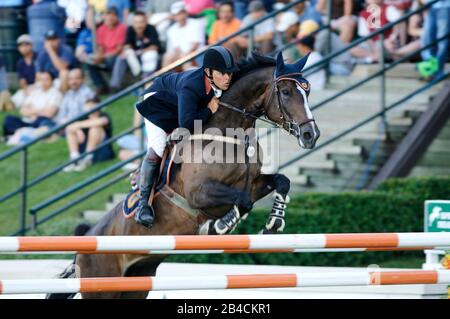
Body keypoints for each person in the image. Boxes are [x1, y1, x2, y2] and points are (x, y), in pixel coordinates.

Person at [134, 46, 240, 228]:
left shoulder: (218, 80)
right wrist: (209, 110)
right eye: (222, 73)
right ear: (208, 72)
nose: (227, 78)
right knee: (158, 148)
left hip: (181, 106)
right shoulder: (192, 85)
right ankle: (143, 205)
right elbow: (187, 124)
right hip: (157, 103)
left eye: (230, 73)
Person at [111, 11, 161, 90]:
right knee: (121, 57)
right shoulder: (130, 29)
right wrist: (128, 51)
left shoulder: (151, 28)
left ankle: (144, 82)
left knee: (151, 55)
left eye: (141, 22)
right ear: (133, 23)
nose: (139, 25)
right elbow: (127, 44)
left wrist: (141, 51)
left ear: (145, 22)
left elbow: (155, 47)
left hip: (149, 56)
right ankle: (114, 86)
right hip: (134, 57)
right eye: (136, 22)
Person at [3, 71, 62, 138]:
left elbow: (49, 113)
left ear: (52, 81)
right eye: (41, 80)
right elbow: (22, 111)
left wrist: (32, 111)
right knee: (9, 119)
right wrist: (41, 110)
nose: (44, 82)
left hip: (42, 122)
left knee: (42, 120)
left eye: (46, 79)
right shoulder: (36, 92)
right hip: (28, 121)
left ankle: (25, 134)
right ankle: (15, 135)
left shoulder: (56, 93)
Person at [63, 97, 115, 172]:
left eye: (92, 106)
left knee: (95, 128)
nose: (90, 109)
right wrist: (78, 130)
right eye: (88, 107)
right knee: (71, 131)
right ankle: (74, 159)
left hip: (102, 151)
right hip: (84, 146)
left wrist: (77, 125)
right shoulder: (84, 117)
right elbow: (69, 127)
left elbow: (101, 122)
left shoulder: (104, 115)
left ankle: (87, 159)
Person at [86, 6, 127, 95]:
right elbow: (100, 47)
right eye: (108, 14)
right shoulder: (101, 29)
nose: (110, 17)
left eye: (113, 15)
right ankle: (101, 86)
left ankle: (114, 87)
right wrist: (98, 56)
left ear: (117, 17)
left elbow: (119, 49)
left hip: (115, 56)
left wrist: (103, 57)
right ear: (104, 16)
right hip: (104, 56)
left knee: (113, 59)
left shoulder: (122, 28)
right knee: (89, 61)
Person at [163, 1, 205, 70]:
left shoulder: (197, 23)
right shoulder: (171, 30)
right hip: (182, 57)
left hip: (197, 56)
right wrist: (182, 56)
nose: (179, 16)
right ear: (173, 16)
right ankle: (164, 79)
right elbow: (176, 49)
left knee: (185, 59)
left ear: (186, 13)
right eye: (176, 14)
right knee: (167, 56)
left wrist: (184, 56)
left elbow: (195, 46)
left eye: (181, 13)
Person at [12, 34, 37, 109]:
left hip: (40, 86)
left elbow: (42, 76)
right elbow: (22, 80)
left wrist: (34, 88)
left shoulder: (38, 57)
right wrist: (26, 90)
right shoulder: (20, 62)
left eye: (26, 44)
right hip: (27, 88)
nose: (24, 48)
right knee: (15, 100)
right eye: (21, 45)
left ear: (32, 45)